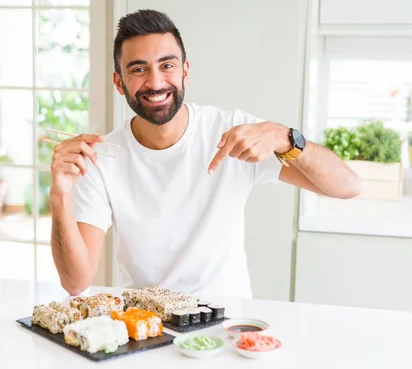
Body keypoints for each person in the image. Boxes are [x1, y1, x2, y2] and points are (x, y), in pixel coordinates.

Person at [49, 9, 361, 298]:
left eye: (167, 65)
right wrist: (60, 195)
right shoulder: (102, 158)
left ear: (185, 70)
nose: (156, 82)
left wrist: (284, 137)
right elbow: (75, 283)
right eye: (139, 69)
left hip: (227, 323)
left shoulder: (232, 132)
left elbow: (348, 187)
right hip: (145, 327)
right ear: (119, 82)